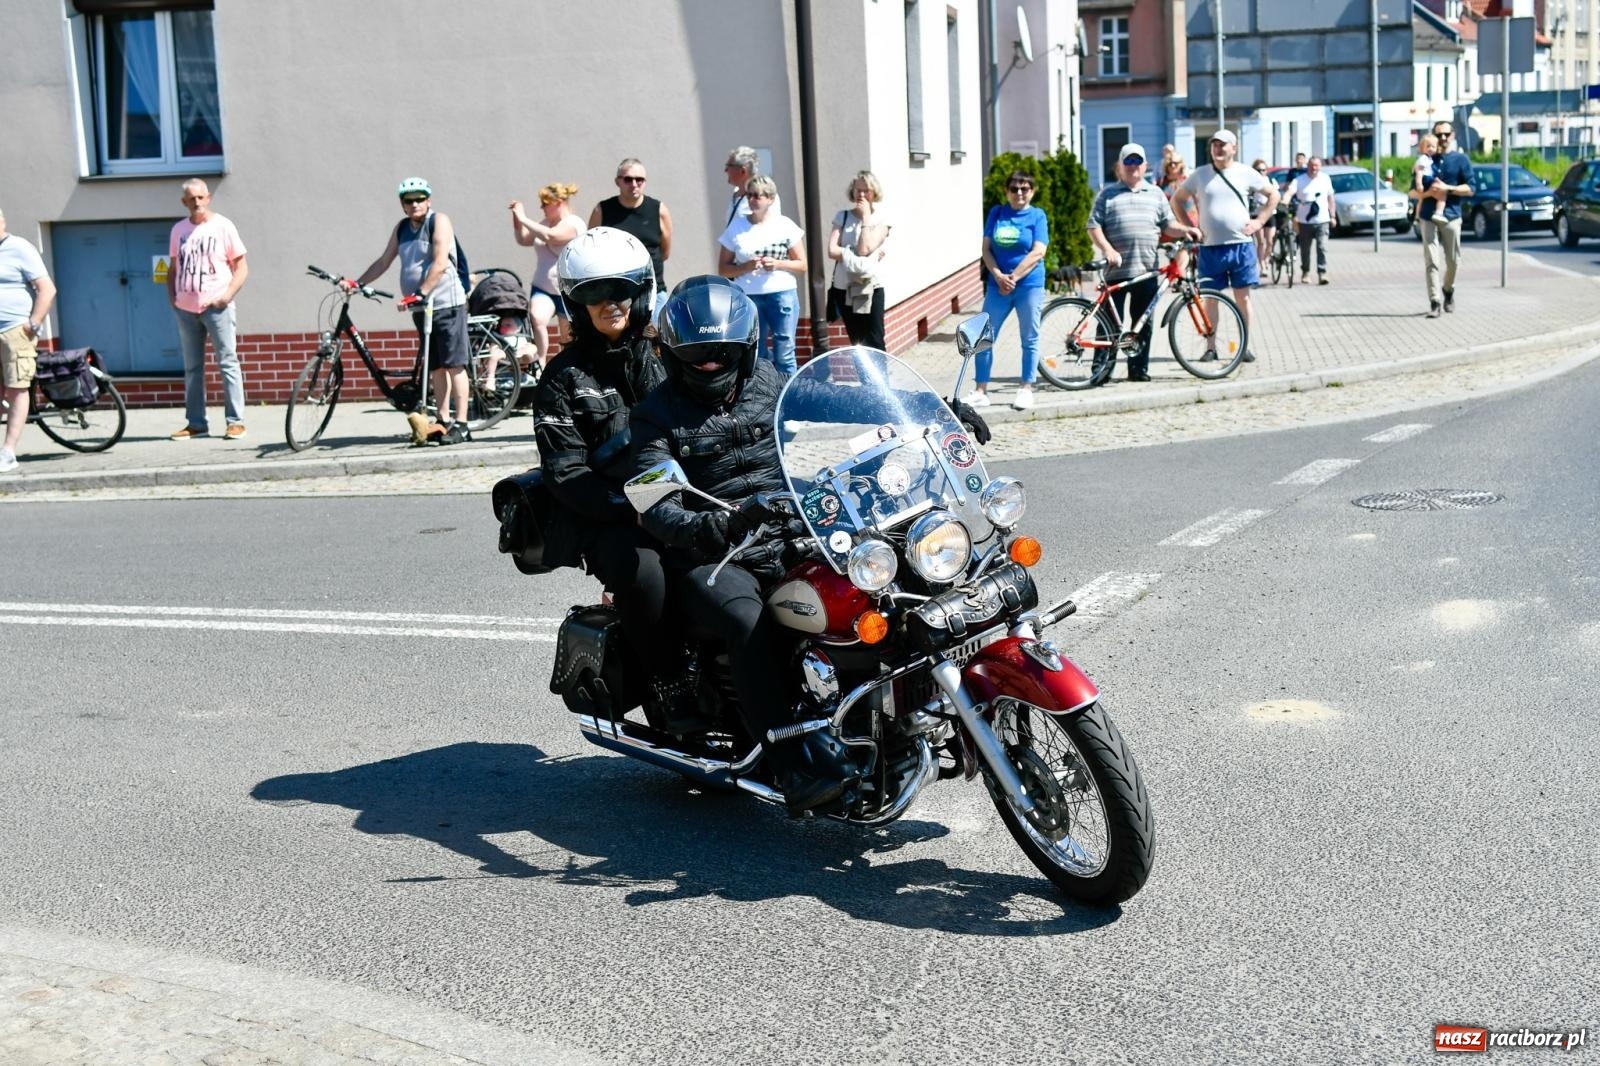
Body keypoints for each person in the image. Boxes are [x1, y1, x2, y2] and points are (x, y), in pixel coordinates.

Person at [629, 276, 990, 812]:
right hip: (715, 551)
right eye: (697, 355)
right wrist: (718, 526)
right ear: (673, 353)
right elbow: (657, 506)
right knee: (749, 621)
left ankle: (896, 715)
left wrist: (929, 408)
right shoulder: (654, 413)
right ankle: (793, 760)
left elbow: (842, 399)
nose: (709, 363)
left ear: (745, 348)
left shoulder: (767, 383)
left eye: (721, 352)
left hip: (791, 526)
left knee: (889, 579)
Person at [530, 227, 693, 728]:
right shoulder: (563, 380)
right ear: (575, 303)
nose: (610, 303)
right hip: (608, 516)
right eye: (594, 294)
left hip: (680, 497)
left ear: (640, 291)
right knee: (646, 572)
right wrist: (636, 509)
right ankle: (669, 687)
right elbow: (567, 474)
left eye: (620, 290)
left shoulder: (670, 358)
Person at [347, 177, 472, 444]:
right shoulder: (402, 228)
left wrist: (420, 293)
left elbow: (439, 262)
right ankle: (442, 420)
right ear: (403, 205)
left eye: (419, 198)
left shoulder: (439, 221)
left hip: (446, 303)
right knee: (436, 367)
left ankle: (462, 424)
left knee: (454, 365)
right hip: (421, 308)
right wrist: (358, 283)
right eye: (408, 200)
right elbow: (383, 261)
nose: (414, 204)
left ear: (428, 200)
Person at [1087, 144, 1203, 382]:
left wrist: (1186, 230)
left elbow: (1167, 224)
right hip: (1116, 270)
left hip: (1147, 270)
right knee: (1108, 324)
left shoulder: (1156, 194)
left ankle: (1138, 370)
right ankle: (1100, 372)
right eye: (1127, 162)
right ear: (1120, 166)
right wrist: (1107, 249)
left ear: (1145, 166)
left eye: (1137, 162)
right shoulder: (1107, 194)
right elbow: (1093, 225)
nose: (1133, 167)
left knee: (1142, 323)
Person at [1171, 130, 1277, 363]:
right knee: (1211, 299)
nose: (1218, 149)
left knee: (1243, 298)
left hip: (1241, 246)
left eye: (1223, 145)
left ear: (1234, 148)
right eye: (1214, 145)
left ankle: (1245, 346)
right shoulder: (1200, 175)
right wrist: (1191, 227)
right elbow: (1177, 200)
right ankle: (1211, 347)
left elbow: (1273, 195)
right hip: (1210, 247)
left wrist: (1259, 221)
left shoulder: (1245, 173)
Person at [166, 179, 250, 440]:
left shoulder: (223, 226)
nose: (197, 203)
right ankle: (196, 424)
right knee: (192, 368)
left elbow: (242, 267)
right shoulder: (178, 230)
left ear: (209, 198)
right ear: (184, 202)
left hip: (217, 308)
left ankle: (235, 422)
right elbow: (173, 268)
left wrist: (225, 297)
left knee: (227, 362)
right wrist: (173, 298)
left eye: (201, 197)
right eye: (192, 199)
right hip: (186, 309)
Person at [966, 170, 1049, 410]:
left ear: (1032, 191)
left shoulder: (1037, 216)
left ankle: (1026, 387)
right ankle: (981, 390)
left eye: (1024, 188)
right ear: (1007, 191)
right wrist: (998, 276)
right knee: (983, 336)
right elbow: (986, 249)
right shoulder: (997, 213)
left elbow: (1038, 251)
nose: (1019, 193)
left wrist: (1013, 277)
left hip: (1029, 285)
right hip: (997, 286)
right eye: (1014, 189)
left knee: (1029, 337)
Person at [717, 175, 806, 376]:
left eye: (758, 195)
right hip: (749, 295)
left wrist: (778, 263)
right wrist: (746, 266)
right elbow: (723, 268)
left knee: (784, 351)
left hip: (781, 293)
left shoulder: (785, 225)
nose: (753, 199)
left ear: (771, 199)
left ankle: (788, 398)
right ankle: (762, 398)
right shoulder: (737, 226)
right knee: (757, 352)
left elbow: (802, 265)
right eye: (750, 195)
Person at [0, 207, 57, 473]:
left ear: (2, 221)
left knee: (17, 388)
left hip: (14, 331)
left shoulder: (19, 248)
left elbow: (46, 288)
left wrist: (33, 324)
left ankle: (8, 452)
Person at [510, 181, 585, 369]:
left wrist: (524, 217)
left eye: (545, 203)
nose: (542, 208)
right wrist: (517, 219)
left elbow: (552, 236)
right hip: (543, 286)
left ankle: (567, 369)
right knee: (537, 317)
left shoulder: (574, 223)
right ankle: (541, 363)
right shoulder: (544, 223)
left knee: (567, 336)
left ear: (558, 202)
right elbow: (524, 239)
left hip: (567, 290)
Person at [588, 158, 672, 313]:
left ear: (645, 182)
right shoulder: (602, 210)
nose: (634, 184)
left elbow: (664, 252)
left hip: (653, 292)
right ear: (617, 181)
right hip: (614, 296)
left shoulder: (659, 210)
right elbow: (590, 251)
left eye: (639, 179)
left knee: (658, 336)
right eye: (628, 179)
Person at [827, 170, 891, 349]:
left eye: (866, 190)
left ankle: (880, 378)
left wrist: (865, 218)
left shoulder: (881, 219)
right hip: (844, 288)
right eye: (858, 190)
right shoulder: (842, 216)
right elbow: (831, 250)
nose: (861, 195)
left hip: (871, 288)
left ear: (874, 192)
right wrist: (868, 256)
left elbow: (864, 249)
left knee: (875, 340)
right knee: (857, 342)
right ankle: (864, 378)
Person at [1414, 123, 1472, 318]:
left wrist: (1448, 188)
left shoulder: (1460, 159)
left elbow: (1471, 188)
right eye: (1439, 134)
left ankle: (1448, 289)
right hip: (1428, 215)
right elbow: (1412, 190)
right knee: (1432, 260)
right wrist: (1429, 192)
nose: (1443, 138)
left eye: (1447, 134)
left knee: (1454, 260)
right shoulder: (1426, 158)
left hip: (1451, 215)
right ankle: (1435, 301)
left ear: (1453, 135)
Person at [1292, 157, 1335, 285]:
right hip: (1304, 221)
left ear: (1320, 166)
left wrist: (1332, 215)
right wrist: (1286, 198)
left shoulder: (1325, 179)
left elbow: (1330, 198)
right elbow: (1290, 191)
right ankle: (1305, 272)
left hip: (1322, 220)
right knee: (1305, 249)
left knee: (1322, 247)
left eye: (1316, 165)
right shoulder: (1299, 180)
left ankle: (1322, 273)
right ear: (1308, 166)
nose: (1314, 168)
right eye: (1311, 165)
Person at [722, 145, 783, 226]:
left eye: (728, 166)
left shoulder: (765, 194)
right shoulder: (736, 192)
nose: (725, 170)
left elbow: (772, 227)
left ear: (743, 171)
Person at [1250, 159, 1276, 272]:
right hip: (1257, 214)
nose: (1261, 172)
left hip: (1270, 213)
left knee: (1270, 241)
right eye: (1258, 170)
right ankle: (1262, 266)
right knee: (1260, 242)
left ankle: (1266, 259)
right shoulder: (1251, 182)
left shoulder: (1271, 180)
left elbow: (1276, 195)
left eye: (1263, 170)